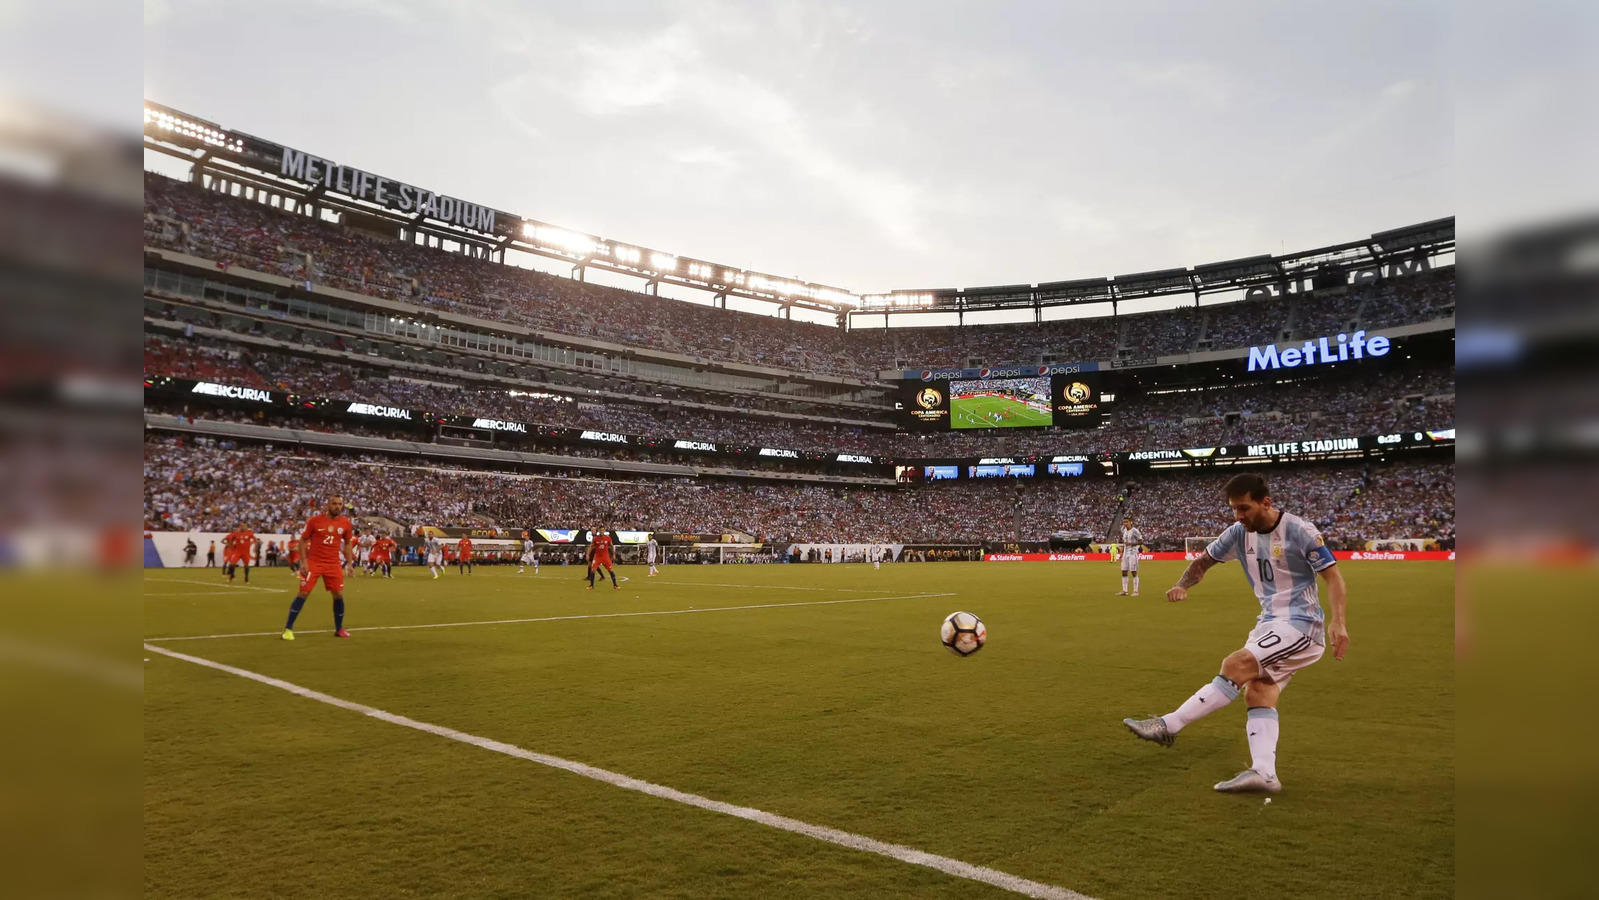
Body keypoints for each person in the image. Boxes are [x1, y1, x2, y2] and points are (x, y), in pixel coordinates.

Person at [1123, 473, 1350, 794]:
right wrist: (1181, 584)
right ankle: (1264, 774)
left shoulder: (1299, 531)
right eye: (1234, 510)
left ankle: (1168, 725)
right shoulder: (1237, 533)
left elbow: (1334, 578)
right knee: (1258, 692)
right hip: (1269, 624)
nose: (1239, 516)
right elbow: (1203, 562)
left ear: (1265, 503)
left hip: (1301, 625)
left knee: (1236, 664)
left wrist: (1338, 622)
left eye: (1244, 508)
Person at [282, 494, 357, 641]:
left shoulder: (345, 523)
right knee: (303, 593)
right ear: (328, 505)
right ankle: (288, 629)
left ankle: (339, 628)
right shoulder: (315, 521)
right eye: (334, 503)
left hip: (333, 564)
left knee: (338, 595)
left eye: (340, 504)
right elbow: (303, 540)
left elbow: (348, 543)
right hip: (314, 563)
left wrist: (349, 564)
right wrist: (304, 562)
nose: (337, 506)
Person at [1117, 517, 1145, 596]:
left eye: (1127, 522)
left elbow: (1141, 541)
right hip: (1125, 554)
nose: (1125, 523)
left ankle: (1136, 591)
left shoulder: (1135, 531)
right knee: (1124, 571)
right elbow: (1124, 543)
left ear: (1130, 522)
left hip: (1132, 553)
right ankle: (1125, 591)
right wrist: (1121, 553)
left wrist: (1132, 544)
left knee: (1133, 572)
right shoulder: (1124, 531)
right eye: (1124, 522)